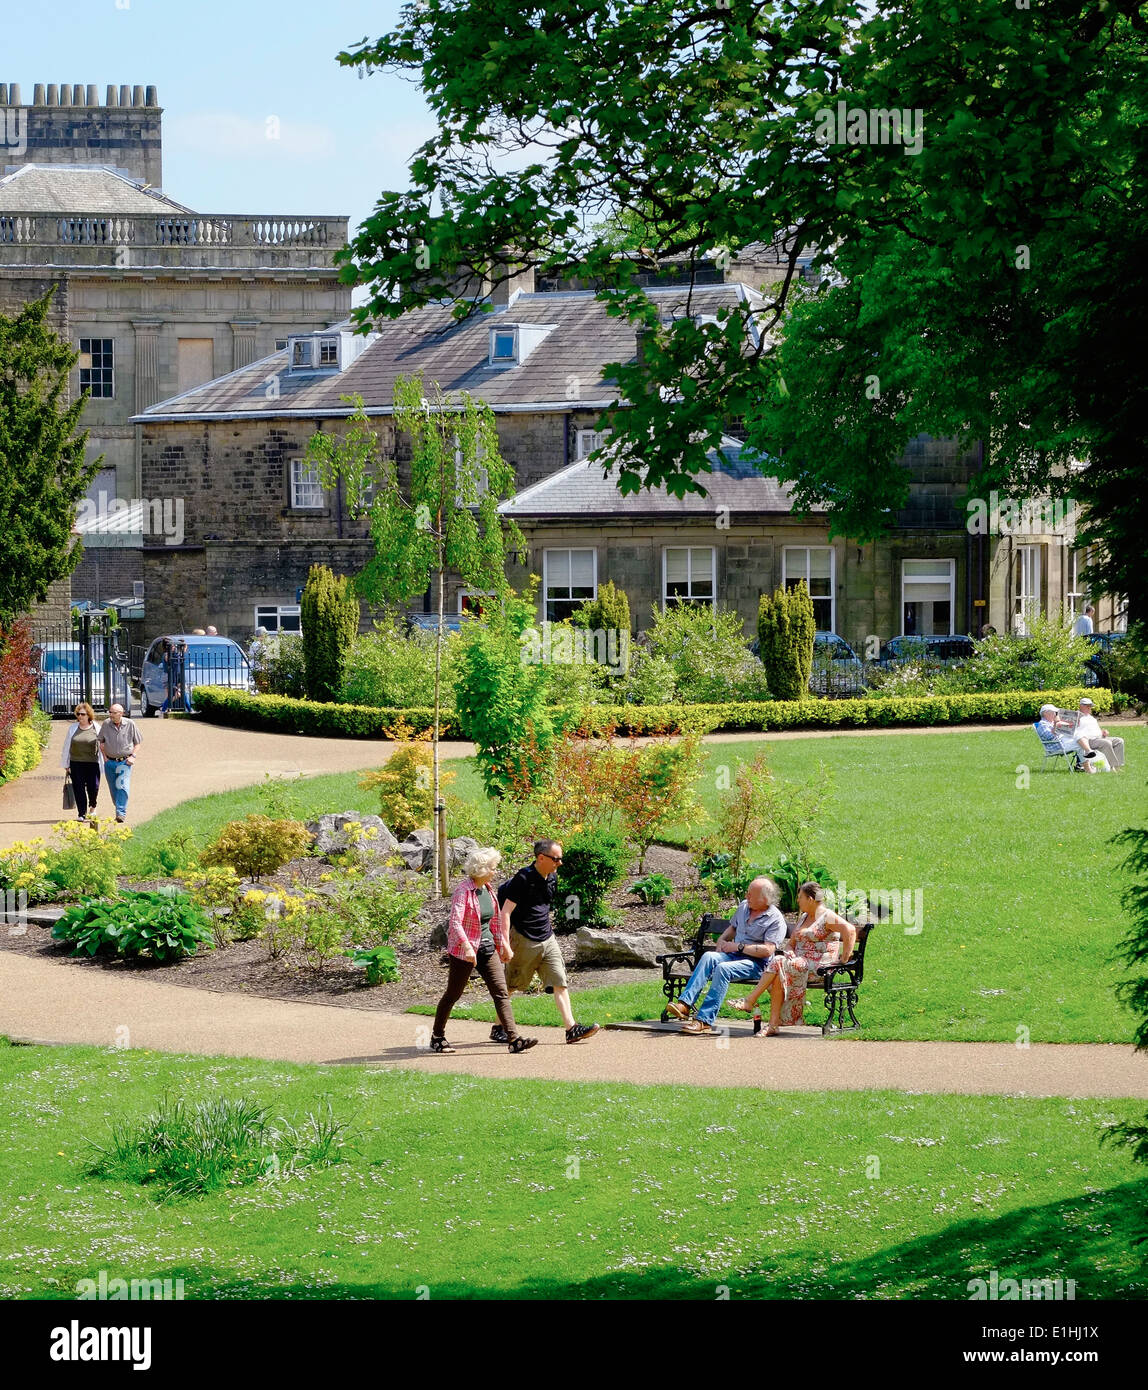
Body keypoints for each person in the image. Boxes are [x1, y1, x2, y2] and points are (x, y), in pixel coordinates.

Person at [431, 847, 538, 1055]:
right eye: (492, 868)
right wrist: (467, 946)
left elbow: (494, 923)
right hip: (464, 952)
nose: (495, 871)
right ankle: (437, 1036)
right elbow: (455, 922)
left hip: (487, 948)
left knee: (501, 993)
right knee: (453, 994)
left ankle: (514, 1039)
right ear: (481, 869)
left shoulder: (488, 890)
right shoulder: (464, 890)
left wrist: (504, 945)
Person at [497, 840, 600, 1044]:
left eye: (561, 858)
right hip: (524, 939)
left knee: (559, 981)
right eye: (556, 859)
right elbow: (505, 912)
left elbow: (543, 907)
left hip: (547, 937)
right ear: (541, 858)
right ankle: (498, 1026)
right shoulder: (523, 878)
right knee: (511, 985)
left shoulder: (552, 878)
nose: (559, 863)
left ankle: (571, 1028)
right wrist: (505, 942)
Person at [665, 877, 788, 1035]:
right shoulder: (744, 907)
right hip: (734, 955)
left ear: (765, 899)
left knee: (723, 969)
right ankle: (684, 1005)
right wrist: (722, 941)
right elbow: (732, 929)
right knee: (709, 956)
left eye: (751, 894)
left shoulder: (775, 919)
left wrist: (739, 946)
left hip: (757, 964)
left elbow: (768, 950)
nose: (746, 896)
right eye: (747, 893)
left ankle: (704, 1020)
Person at [731, 882, 856, 1034]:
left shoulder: (827, 916)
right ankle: (772, 1025)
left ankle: (750, 1001)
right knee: (779, 970)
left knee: (777, 962)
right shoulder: (804, 917)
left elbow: (849, 930)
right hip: (800, 963)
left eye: (800, 897)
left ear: (810, 899)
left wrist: (844, 959)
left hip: (820, 967)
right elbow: (790, 944)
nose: (798, 901)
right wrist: (789, 951)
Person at [97, 703, 142, 823]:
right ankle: (118, 806)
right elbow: (101, 742)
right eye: (110, 712)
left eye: (114, 713)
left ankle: (120, 813)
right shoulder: (106, 724)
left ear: (121, 713)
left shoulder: (130, 724)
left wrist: (133, 756)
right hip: (110, 763)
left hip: (124, 762)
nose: (111, 715)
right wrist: (105, 757)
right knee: (114, 789)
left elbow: (137, 743)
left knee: (121, 786)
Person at [60, 702, 103, 822]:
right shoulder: (73, 728)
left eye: (82, 714)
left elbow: (103, 744)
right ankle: (81, 812)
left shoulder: (96, 727)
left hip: (92, 763)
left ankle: (93, 807)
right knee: (78, 788)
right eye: (78, 714)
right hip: (76, 762)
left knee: (93, 787)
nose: (80, 716)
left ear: (89, 715)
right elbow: (67, 746)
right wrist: (66, 764)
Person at [1036, 703, 1102, 769]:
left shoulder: (1051, 722)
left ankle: (1088, 754)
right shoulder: (1042, 725)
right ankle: (1088, 765)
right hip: (1057, 746)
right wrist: (1056, 724)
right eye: (1054, 712)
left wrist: (1074, 723)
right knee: (1079, 744)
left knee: (1080, 734)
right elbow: (1050, 737)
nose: (1055, 714)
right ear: (1045, 713)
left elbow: (1066, 726)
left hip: (1062, 741)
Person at [1076, 696, 1124, 770]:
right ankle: (1112, 767)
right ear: (1081, 706)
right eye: (1087, 706)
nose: (1089, 708)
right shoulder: (1077, 716)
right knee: (1106, 743)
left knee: (1119, 741)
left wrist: (1102, 733)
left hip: (1099, 738)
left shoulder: (1090, 717)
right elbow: (1077, 730)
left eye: (1090, 706)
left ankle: (1118, 766)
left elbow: (1093, 729)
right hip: (1088, 741)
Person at [161, 638, 192, 715]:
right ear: (168, 646)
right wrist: (173, 650)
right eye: (172, 645)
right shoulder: (166, 654)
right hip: (169, 677)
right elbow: (169, 659)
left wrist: (183, 645)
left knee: (182, 693)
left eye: (174, 645)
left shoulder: (176, 653)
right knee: (173, 695)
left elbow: (183, 652)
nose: (174, 646)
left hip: (178, 676)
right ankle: (164, 709)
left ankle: (190, 709)